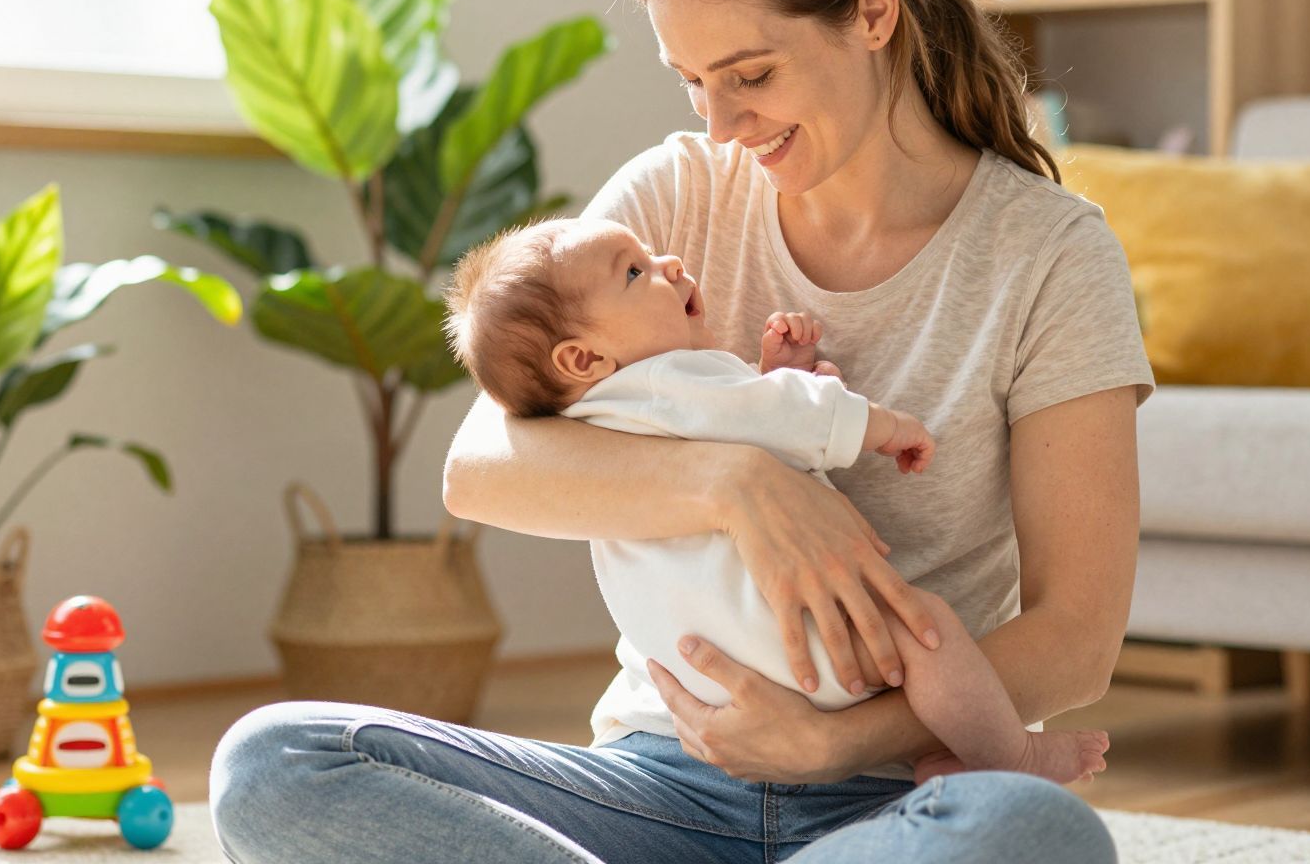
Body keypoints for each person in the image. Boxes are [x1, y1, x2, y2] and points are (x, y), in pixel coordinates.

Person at [209, 0, 1152, 864]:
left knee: (1032, 832)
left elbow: (1077, 637)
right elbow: (481, 469)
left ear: (872, 12)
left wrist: (832, 744)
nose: (720, 124)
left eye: (749, 74)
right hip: (654, 785)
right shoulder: (669, 196)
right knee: (277, 761)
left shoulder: (1050, 254)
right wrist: (736, 484)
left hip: (892, 805)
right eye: (691, 81)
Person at [438, 214, 1113, 786]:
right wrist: (881, 426)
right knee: (927, 632)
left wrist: (769, 379)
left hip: (712, 685)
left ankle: (939, 752)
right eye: (635, 273)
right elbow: (787, 418)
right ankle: (1009, 752)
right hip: (810, 653)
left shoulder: (587, 429)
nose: (667, 262)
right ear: (583, 360)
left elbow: (743, 422)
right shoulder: (668, 381)